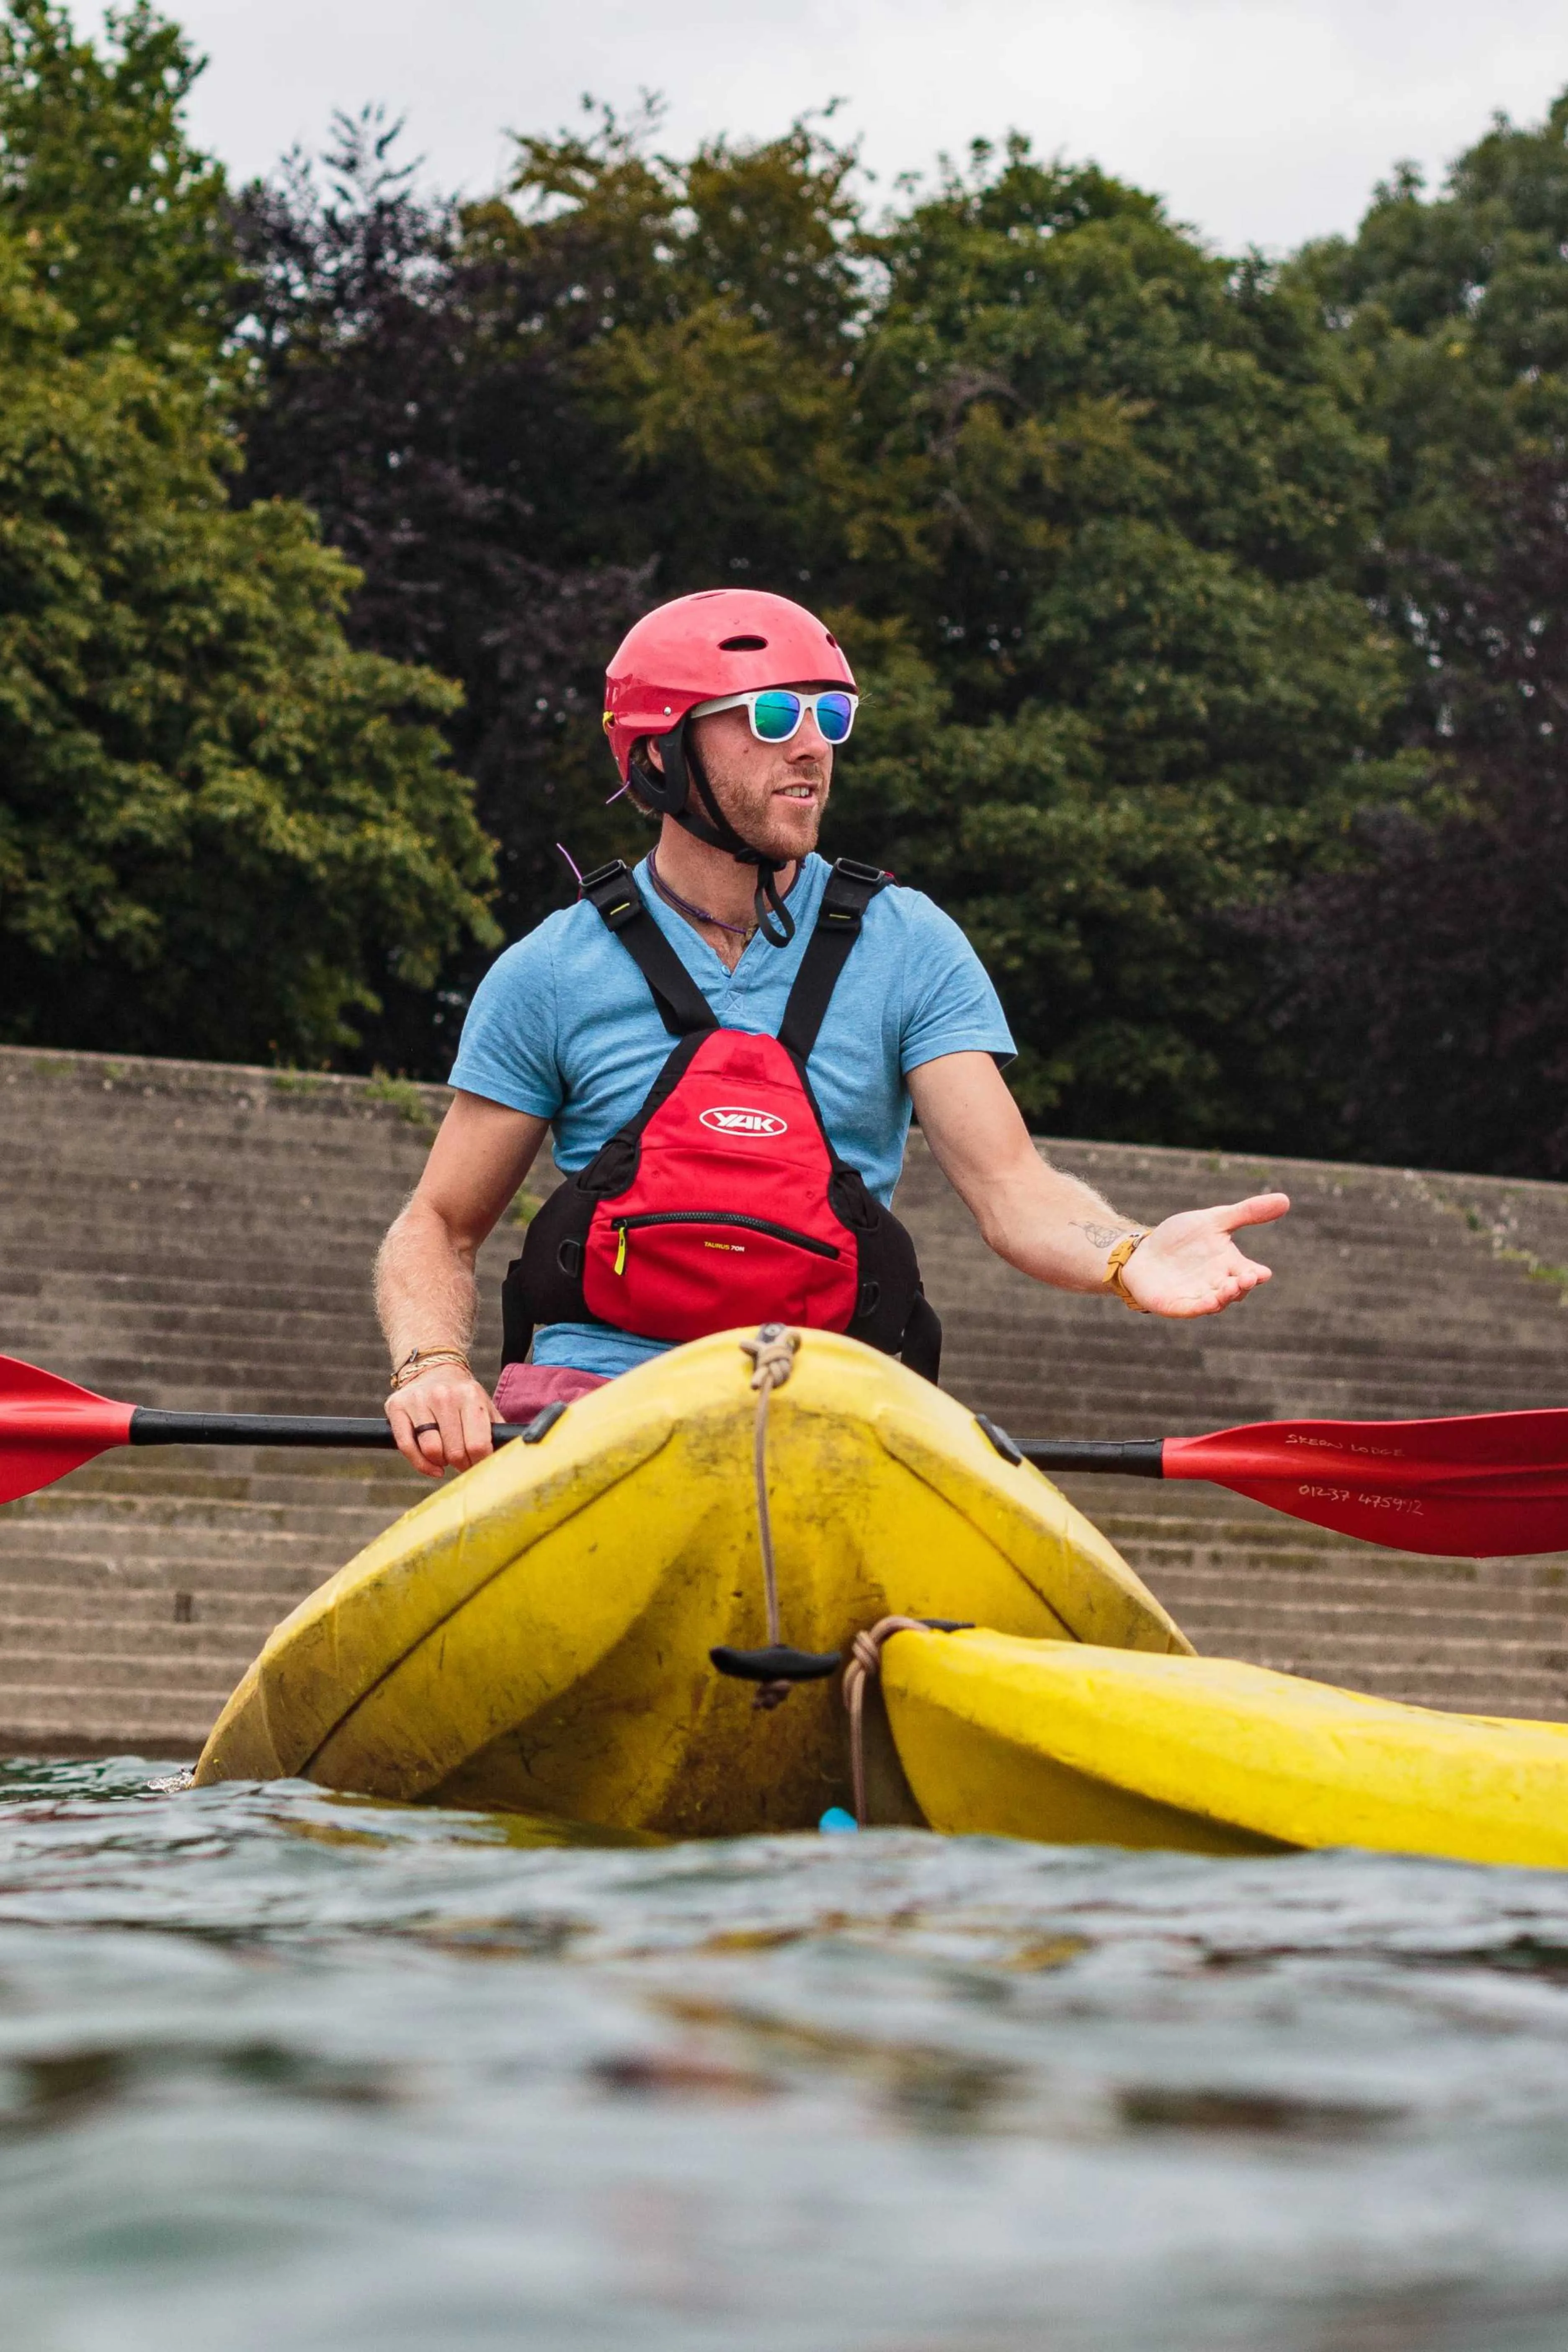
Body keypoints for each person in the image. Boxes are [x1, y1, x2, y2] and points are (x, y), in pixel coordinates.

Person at [377, 588, 1289, 1476]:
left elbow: (1013, 1191)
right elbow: (441, 1223)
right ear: (660, 755)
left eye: (830, 717)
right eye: (771, 716)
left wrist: (1129, 1255)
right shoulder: (551, 970)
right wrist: (434, 1367)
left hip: (829, 1406)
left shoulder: (910, 943)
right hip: (595, 1414)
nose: (812, 746)